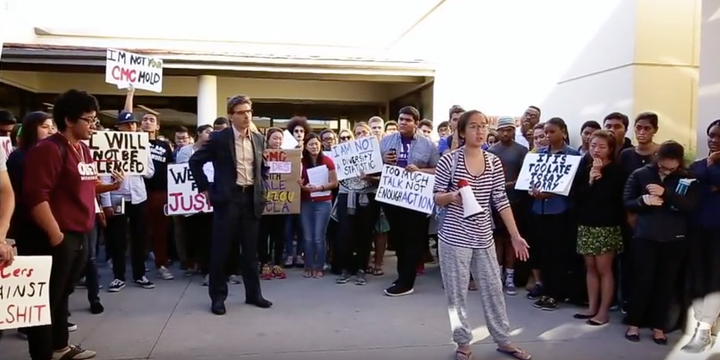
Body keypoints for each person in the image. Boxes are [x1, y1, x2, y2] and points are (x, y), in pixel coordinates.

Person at [433, 110, 530, 360]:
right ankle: (463, 343)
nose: (480, 131)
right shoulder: (449, 161)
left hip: (483, 236)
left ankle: (503, 339)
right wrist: (451, 196)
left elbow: (500, 199)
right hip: (454, 237)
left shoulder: (493, 161)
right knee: (457, 293)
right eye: (473, 126)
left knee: (493, 288)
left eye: (483, 126)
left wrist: (515, 235)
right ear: (462, 132)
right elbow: (436, 196)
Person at [22, 89, 99, 359]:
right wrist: (56, 235)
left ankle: (61, 346)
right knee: (46, 301)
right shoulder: (48, 150)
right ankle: (43, 353)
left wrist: (112, 184)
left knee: (63, 294)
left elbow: (86, 185)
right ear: (69, 120)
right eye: (88, 120)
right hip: (58, 235)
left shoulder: (83, 150)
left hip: (81, 232)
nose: (93, 125)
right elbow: (36, 196)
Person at [189, 94, 272, 315]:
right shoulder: (219, 138)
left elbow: (262, 166)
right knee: (221, 250)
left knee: (251, 251)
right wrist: (206, 188)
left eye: (249, 112)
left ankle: (254, 294)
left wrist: (262, 186)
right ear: (231, 116)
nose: (246, 116)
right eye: (241, 112)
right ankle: (218, 298)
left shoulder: (258, 138)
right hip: (227, 199)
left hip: (250, 198)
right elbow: (195, 161)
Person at [623, 141, 697, 344]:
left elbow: (690, 205)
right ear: (657, 158)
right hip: (646, 236)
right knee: (641, 281)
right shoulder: (641, 174)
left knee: (665, 284)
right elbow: (627, 201)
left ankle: (659, 327)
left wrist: (666, 193)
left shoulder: (687, 178)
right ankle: (634, 324)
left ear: (679, 164)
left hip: (675, 239)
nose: (666, 170)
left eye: (671, 168)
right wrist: (642, 201)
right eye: (663, 166)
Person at [379, 106, 439, 296]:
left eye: (407, 120)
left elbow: (438, 169)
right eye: (401, 119)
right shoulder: (386, 141)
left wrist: (420, 171)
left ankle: (407, 282)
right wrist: (384, 162)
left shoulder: (428, 145)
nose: (403, 122)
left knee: (412, 240)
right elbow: (375, 168)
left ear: (416, 123)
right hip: (393, 199)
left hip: (416, 200)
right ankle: (402, 276)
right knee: (398, 239)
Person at [571, 130, 625, 325]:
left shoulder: (617, 171)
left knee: (604, 269)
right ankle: (592, 306)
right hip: (586, 224)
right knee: (590, 268)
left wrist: (600, 177)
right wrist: (591, 179)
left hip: (606, 225)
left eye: (602, 147)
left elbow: (611, 198)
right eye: (593, 145)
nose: (596, 150)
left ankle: (604, 311)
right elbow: (578, 196)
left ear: (610, 149)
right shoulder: (586, 168)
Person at [682, 119, 720, 353]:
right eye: (711, 136)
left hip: (718, 232)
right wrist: (709, 165)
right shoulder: (697, 165)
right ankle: (701, 319)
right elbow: (686, 187)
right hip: (695, 229)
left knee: (715, 280)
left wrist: (707, 179)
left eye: (719, 137)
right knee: (698, 276)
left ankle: (704, 329)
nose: (714, 140)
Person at [488, 117, 528, 296]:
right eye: (502, 130)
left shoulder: (522, 150)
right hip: (494, 202)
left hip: (515, 202)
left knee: (512, 240)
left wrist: (513, 184)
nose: (505, 133)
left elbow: (526, 175)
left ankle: (510, 277)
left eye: (509, 130)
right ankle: (496, 277)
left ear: (514, 130)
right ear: (497, 131)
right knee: (496, 241)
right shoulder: (490, 150)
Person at [298, 133, 338, 278]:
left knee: (319, 237)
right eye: (310, 144)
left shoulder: (328, 161)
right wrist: (303, 187)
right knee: (308, 237)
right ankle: (308, 266)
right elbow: (298, 182)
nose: (314, 147)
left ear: (320, 144)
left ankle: (319, 266)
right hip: (306, 201)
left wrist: (320, 188)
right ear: (305, 147)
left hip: (324, 201)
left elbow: (334, 182)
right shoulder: (301, 162)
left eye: (316, 144)